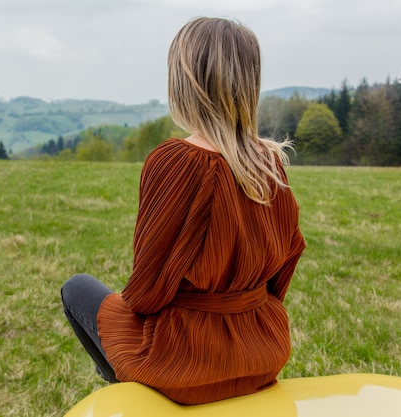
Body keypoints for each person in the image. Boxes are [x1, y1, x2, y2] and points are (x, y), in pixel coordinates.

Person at [61, 16, 305, 405]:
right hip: (262, 355)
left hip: (182, 364)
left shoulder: (177, 161)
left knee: (76, 288)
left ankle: (134, 398)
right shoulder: (271, 163)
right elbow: (288, 259)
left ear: (185, 82)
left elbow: (147, 291)